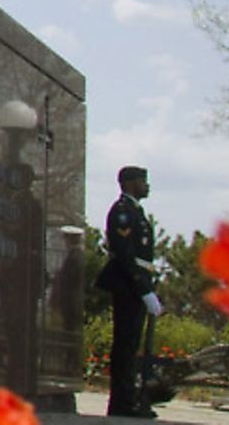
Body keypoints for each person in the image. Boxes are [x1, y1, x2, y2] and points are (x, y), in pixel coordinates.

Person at [94, 165, 162, 418]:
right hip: (127, 284)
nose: (147, 186)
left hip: (136, 283)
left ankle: (128, 400)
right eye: (143, 181)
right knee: (125, 345)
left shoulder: (136, 211)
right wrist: (143, 289)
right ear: (129, 183)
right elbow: (124, 254)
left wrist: (149, 285)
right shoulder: (122, 212)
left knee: (131, 344)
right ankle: (122, 403)